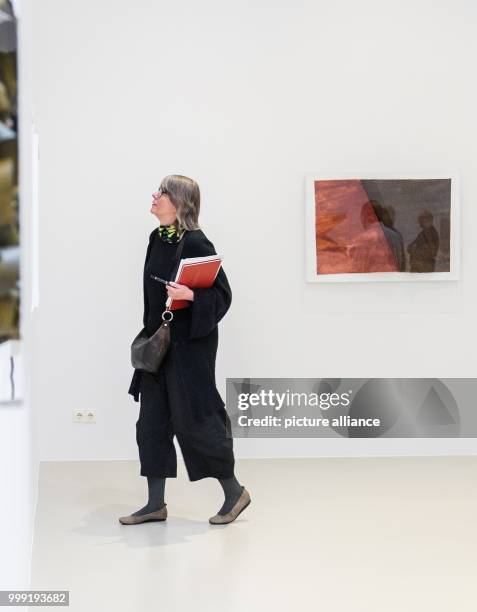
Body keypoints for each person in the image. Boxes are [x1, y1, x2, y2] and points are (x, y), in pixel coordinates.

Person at [120, 174, 251, 526]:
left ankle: (234, 492)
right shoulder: (157, 238)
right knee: (151, 423)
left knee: (197, 422)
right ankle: (155, 505)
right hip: (159, 346)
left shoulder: (196, 243)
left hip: (190, 350)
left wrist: (191, 295)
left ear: (179, 202)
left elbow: (223, 296)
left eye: (162, 192)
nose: (155, 195)